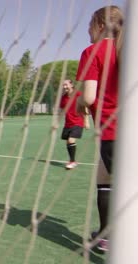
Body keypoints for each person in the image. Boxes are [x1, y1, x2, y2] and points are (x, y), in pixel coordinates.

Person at [75, 5, 123, 251]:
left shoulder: (93, 51)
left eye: (89, 26)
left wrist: (80, 103)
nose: (87, 32)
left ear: (100, 26)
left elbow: (90, 97)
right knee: (104, 176)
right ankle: (106, 235)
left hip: (114, 133)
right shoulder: (127, 49)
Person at [59, 79, 90, 170]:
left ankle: (72, 162)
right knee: (68, 142)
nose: (64, 87)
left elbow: (84, 107)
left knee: (71, 140)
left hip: (78, 122)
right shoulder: (63, 97)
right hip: (68, 123)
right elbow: (62, 110)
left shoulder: (78, 95)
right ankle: (73, 160)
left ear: (71, 85)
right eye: (63, 85)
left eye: (66, 85)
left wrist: (86, 121)